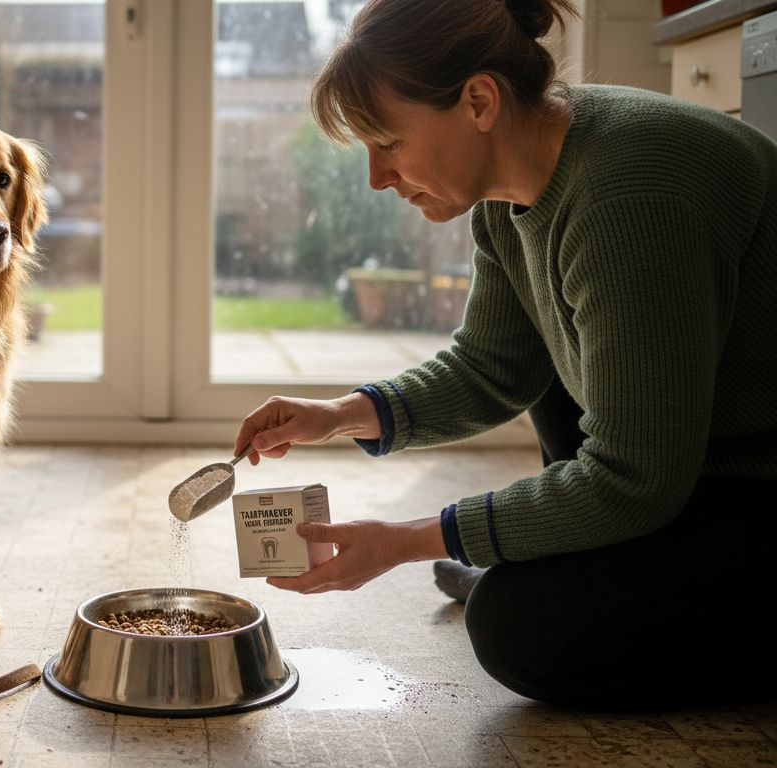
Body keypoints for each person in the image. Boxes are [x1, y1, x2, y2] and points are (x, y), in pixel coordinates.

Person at [235, 0, 777, 710]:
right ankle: (538, 557)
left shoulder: (630, 194)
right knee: (550, 376)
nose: (376, 177)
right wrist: (338, 415)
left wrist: (407, 540)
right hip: (690, 468)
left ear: (479, 100)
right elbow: (491, 369)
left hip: (749, 484)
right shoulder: (508, 184)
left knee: (516, 630)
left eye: (388, 142)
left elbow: (633, 477)